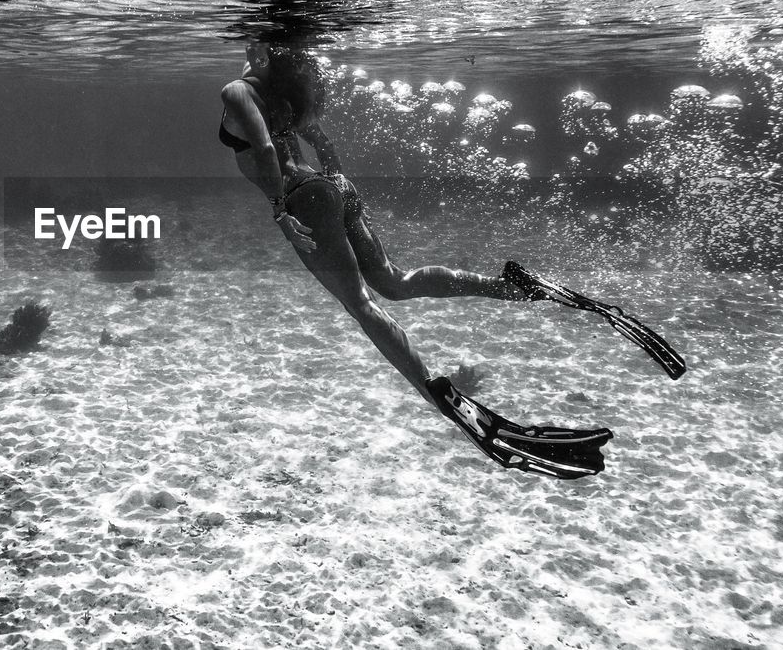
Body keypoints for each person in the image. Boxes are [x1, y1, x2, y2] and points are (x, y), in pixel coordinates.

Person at [219, 41, 685, 480]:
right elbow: (322, 143)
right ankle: (515, 287)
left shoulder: (239, 91)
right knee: (395, 282)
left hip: (302, 198)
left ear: (265, 54)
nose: (249, 50)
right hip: (330, 187)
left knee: (362, 304)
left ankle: (440, 394)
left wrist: (283, 211)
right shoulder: (281, 91)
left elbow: (263, 150)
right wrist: (338, 189)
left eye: (256, 46)